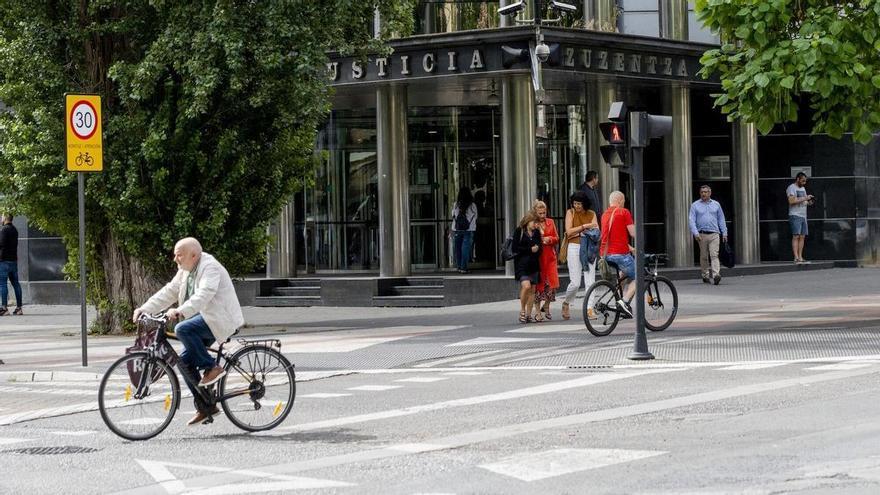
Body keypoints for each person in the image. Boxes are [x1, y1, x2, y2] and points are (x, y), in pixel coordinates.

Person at [133, 237, 244, 426]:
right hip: (206, 317)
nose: (175, 259)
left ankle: (212, 368)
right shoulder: (185, 270)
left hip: (221, 318)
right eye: (175, 255)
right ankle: (206, 407)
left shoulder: (210, 267)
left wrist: (180, 311)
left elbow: (205, 293)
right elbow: (169, 291)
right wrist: (145, 309)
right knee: (183, 362)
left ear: (194, 255)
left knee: (182, 328)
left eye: (179, 255)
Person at [561, 191, 599, 321]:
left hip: (589, 247)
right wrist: (585, 226)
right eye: (575, 203)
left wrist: (580, 231)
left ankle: (590, 308)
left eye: (579, 203)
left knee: (590, 280)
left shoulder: (592, 213)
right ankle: (566, 302)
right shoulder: (570, 213)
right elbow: (568, 231)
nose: (576, 206)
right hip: (574, 247)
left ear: (584, 203)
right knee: (575, 283)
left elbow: (596, 231)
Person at [600, 191, 636, 318]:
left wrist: (630, 248)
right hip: (620, 254)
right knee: (640, 276)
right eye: (624, 201)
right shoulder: (624, 212)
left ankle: (618, 299)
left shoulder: (605, 215)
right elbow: (633, 233)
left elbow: (613, 236)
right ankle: (624, 301)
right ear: (620, 200)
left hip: (606, 255)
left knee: (624, 272)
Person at [688, 185, 728, 285]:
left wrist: (724, 233)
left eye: (705, 192)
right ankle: (705, 275)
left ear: (710, 193)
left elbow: (721, 219)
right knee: (704, 256)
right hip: (701, 235)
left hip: (714, 233)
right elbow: (691, 220)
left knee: (714, 255)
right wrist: (695, 233)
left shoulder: (716, 204)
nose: (703, 194)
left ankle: (716, 275)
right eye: (702, 192)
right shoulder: (695, 205)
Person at [532, 200, 559, 321]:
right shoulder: (532, 224)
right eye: (540, 213)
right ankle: (537, 311)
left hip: (550, 257)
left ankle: (547, 305)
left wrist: (550, 239)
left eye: (544, 213)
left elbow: (557, 238)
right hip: (538, 258)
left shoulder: (550, 222)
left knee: (552, 284)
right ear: (535, 212)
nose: (543, 215)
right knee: (538, 286)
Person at [513, 211, 542, 324]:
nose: (535, 224)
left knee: (532, 290)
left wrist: (537, 249)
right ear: (527, 221)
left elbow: (540, 248)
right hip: (522, 264)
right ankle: (522, 310)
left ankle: (529, 314)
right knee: (526, 286)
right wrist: (530, 250)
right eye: (533, 222)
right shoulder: (519, 231)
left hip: (534, 265)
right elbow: (515, 249)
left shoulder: (536, 233)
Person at [787, 172, 814, 263]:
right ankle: (796, 257)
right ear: (797, 179)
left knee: (802, 236)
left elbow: (803, 201)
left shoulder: (803, 188)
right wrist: (805, 198)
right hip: (795, 215)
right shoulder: (791, 188)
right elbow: (791, 201)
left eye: (805, 181)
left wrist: (809, 202)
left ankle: (800, 257)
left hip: (803, 215)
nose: (804, 183)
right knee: (796, 236)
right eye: (802, 181)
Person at [0, 214, 23, 316]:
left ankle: (4, 308)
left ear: (5, 217)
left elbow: (1, 244)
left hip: (4, 261)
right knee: (16, 284)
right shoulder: (15, 230)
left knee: (3, 284)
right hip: (13, 261)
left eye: (1, 216)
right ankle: (19, 308)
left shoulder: (4, 230)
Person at [451, 186, 478, 273]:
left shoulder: (456, 204)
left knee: (458, 248)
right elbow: (475, 216)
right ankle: (464, 267)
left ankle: (459, 266)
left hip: (457, 229)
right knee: (465, 249)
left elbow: (453, 215)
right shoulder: (472, 205)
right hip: (469, 229)